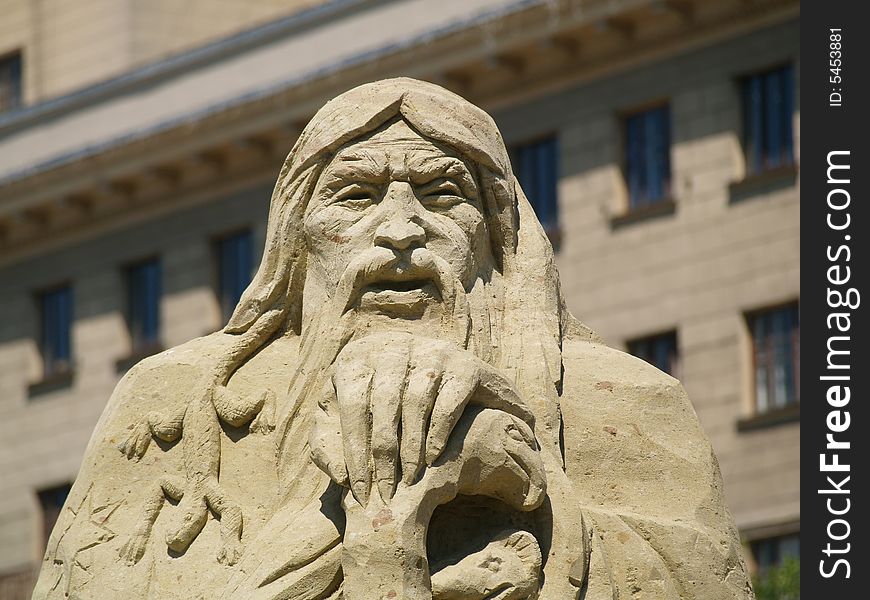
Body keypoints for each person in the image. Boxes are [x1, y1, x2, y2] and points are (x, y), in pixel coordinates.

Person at [34, 78, 753, 600]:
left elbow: (707, 583)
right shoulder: (177, 400)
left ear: (495, 233)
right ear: (297, 237)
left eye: (443, 194)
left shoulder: (621, 399)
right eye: (356, 194)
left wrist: (526, 489)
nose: (401, 229)